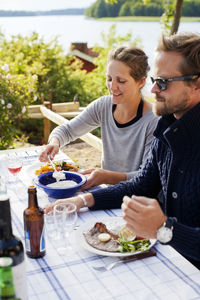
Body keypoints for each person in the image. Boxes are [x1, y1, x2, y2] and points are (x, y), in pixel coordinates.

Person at [44, 32, 200, 269]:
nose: (155, 89)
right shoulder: (167, 125)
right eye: (155, 80)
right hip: (166, 261)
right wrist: (82, 200)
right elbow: (141, 186)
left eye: (164, 82)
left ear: (197, 83)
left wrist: (163, 228)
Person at [39, 46, 158, 189]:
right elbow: (67, 130)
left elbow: (149, 178)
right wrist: (54, 142)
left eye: (121, 81)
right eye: (109, 79)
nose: (112, 87)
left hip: (136, 200)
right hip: (107, 194)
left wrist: (107, 176)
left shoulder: (153, 121)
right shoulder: (103, 106)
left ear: (141, 82)